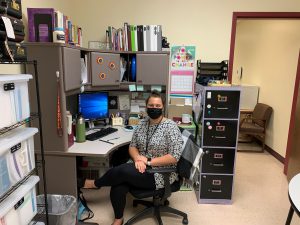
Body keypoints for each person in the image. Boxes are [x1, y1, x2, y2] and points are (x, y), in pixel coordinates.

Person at [83, 90, 183, 225]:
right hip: (139, 165)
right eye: (151, 106)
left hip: (160, 172)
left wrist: (148, 161)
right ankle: (118, 219)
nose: (154, 108)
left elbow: (174, 157)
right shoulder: (142, 123)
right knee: (119, 183)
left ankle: (94, 184)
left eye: (157, 106)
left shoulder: (171, 127)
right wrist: (137, 159)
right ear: (146, 106)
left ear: (163, 107)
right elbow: (132, 146)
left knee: (121, 172)